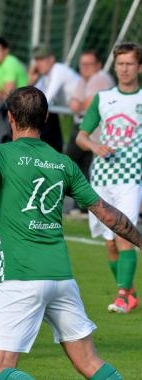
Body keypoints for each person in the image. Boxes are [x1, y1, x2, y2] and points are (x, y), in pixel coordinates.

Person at [0, 86, 141, 380]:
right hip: (61, 279)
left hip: (21, 279)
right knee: (91, 363)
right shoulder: (64, 163)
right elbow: (107, 213)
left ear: (11, 118)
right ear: (47, 118)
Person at [75, 42, 142, 314]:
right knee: (109, 243)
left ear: (139, 67)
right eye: (120, 64)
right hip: (101, 178)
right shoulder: (103, 99)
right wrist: (95, 146)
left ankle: (123, 295)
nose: (124, 69)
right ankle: (130, 292)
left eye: (129, 64)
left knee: (124, 235)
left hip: (130, 178)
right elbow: (80, 136)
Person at [66, 50, 114, 217]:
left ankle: (86, 206)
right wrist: (80, 103)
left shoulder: (100, 78)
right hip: (82, 126)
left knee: (85, 167)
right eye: (82, 64)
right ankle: (80, 205)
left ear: (98, 65)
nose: (85, 68)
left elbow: (87, 103)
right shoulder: (82, 80)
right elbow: (74, 105)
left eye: (89, 64)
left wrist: (81, 103)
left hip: (95, 130)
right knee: (75, 165)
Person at [28, 45, 80, 153]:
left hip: (84, 112)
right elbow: (33, 96)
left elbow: (46, 98)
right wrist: (32, 81)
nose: (38, 64)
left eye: (42, 59)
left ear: (51, 59)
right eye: (36, 60)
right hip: (76, 115)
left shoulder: (58, 70)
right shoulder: (45, 76)